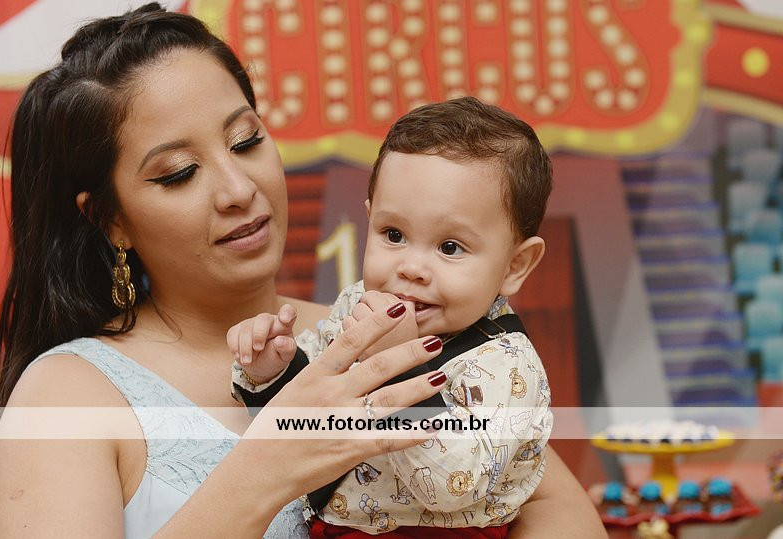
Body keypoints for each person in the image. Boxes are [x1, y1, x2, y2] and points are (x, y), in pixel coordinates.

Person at [0, 3, 606, 538]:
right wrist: (268, 467)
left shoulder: (366, 334)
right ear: (110, 219)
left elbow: (551, 506)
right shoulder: (68, 394)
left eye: (246, 141)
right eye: (179, 173)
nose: (239, 189)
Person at [231, 98, 553, 537]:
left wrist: (398, 367)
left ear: (515, 265)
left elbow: (453, 486)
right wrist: (275, 371)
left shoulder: (507, 365)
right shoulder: (357, 306)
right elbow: (300, 430)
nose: (411, 267)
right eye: (394, 235)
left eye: (450, 247)